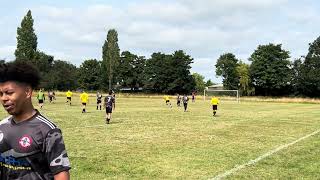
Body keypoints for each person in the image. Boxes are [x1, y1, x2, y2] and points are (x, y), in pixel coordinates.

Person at [0, 61, 71, 179]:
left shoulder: (47, 130)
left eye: (9, 93)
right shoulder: (2, 126)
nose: (4, 98)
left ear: (27, 92)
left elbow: (61, 174)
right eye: (1, 94)